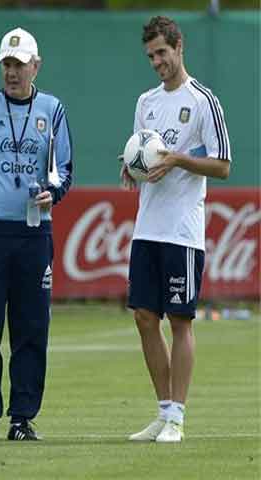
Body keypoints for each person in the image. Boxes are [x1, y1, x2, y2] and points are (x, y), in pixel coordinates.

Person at [0, 27, 73, 442]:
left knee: (31, 329)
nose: (12, 72)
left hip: (34, 232)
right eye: (7, 64)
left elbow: (64, 169)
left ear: (36, 66)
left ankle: (22, 418)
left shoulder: (53, 110)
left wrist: (54, 192)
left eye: (20, 65)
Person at [122, 16, 231, 443]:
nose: (156, 62)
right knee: (144, 317)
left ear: (179, 46)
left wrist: (177, 160)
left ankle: (178, 418)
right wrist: (131, 167)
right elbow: (143, 152)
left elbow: (223, 166)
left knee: (180, 320)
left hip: (182, 231)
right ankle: (163, 411)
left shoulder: (203, 101)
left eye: (162, 53)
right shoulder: (145, 102)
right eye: (150, 56)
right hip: (147, 227)